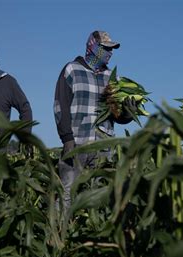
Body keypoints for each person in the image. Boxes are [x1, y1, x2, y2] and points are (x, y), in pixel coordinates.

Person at [53, 30, 135, 217]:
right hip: (76, 145)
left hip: (104, 149)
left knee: (98, 197)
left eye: (111, 49)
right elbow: (60, 106)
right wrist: (67, 139)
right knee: (66, 195)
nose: (110, 53)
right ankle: (58, 236)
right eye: (106, 48)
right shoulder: (72, 70)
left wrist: (129, 113)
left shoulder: (111, 78)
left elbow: (115, 114)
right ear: (93, 47)